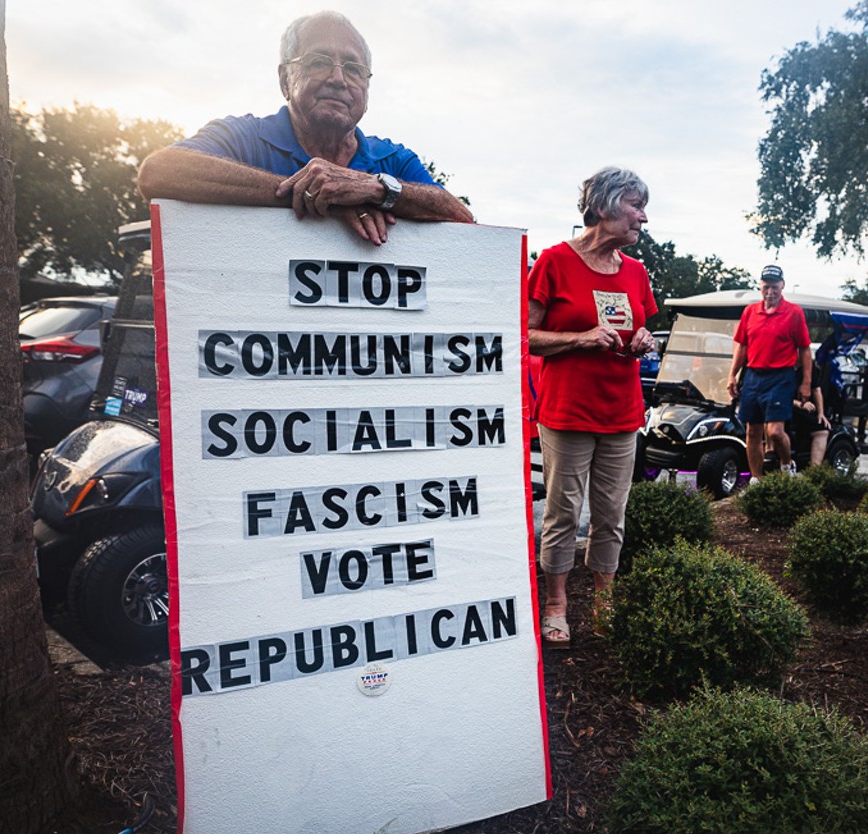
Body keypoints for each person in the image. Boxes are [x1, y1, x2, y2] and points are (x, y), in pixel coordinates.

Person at [136, 11, 473, 244]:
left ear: (366, 90)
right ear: (285, 80)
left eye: (354, 68)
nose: (338, 79)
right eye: (318, 62)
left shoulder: (393, 160)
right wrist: (317, 195)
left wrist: (373, 189)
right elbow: (158, 172)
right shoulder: (247, 138)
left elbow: (463, 221)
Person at [528, 167, 657, 648]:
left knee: (611, 514)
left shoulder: (637, 272)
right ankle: (557, 605)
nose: (643, 216)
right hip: (567, 411)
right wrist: (578, 338)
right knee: (563, 512)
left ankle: (606, 602)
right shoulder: (555, 262)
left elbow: (642, 330)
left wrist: (642, 338)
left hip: (622, 411)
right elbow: (524, 336)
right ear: (603, 206)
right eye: (635, 205)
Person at [727, 266, 813, 481]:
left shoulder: (794, 313)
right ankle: (756, 479)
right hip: (753, 376)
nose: (770, 292)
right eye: (766, 287)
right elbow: (742, 346)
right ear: (760, 286)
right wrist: (732, 375)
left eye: (774, 287)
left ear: (782, 285)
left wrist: (806, 383)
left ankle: (786, 466)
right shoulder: (750, 311)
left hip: (781, 377)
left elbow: (804, 349)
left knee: (774, 431)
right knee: (752, 431)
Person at [793, 361, 831, 467]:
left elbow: (816, 389)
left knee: (822, 429)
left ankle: (815, 469)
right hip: (782, 405)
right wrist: (799, 404)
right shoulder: (783, 363)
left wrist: (821, 413)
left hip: (801, 407)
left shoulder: (808, 366)